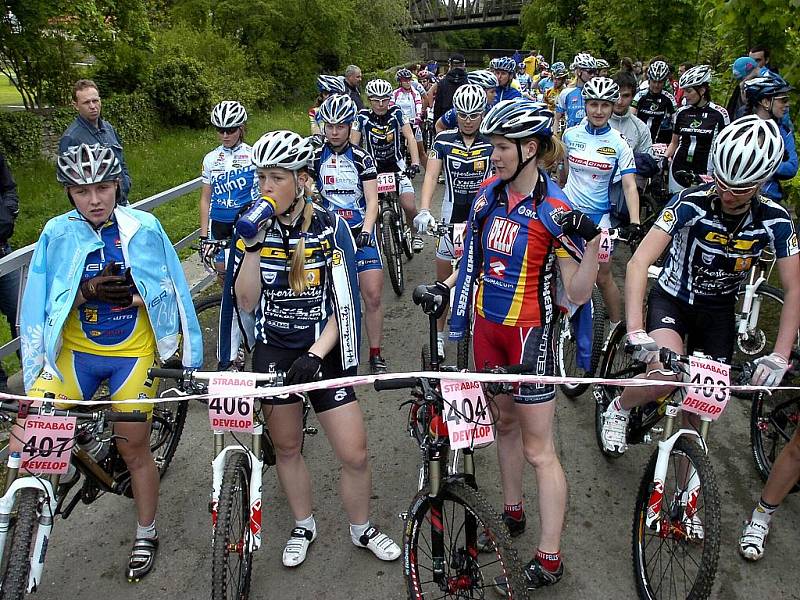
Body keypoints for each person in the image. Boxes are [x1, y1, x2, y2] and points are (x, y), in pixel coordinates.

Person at [18, 143, 203, 581]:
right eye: (83, 191)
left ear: (118, 184)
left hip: (131, 354)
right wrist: (87, 293)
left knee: (132, 446)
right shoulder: (56, 233)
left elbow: (172, 287)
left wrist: (138, 298)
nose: (95, 199)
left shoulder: (145, 227)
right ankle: (18, 528)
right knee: (25, 444)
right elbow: (38, 301)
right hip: (73, 354)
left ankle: (146, 531)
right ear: (68, 193)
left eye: (103, 187)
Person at [440, 99, 601, 592]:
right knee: (503, 426)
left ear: (531, 149)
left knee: (539, 450)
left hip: (531, 336)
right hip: (486, 330)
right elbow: (470, 260)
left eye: (503, 147)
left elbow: (575, 294)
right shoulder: (488, 193)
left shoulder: (557, 212)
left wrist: (595, 247)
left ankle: (549, 556)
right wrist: (446, 293)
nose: (494, 156)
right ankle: (511, 514)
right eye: (492, 146)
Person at [231, 130, 401, 568]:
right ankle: (303, 524)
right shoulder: (253, 229)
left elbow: (346, 301)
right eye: (260, 177)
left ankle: (361, 528)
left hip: (322, 347)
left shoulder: (330, 226)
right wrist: (250, 247)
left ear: (302, 180)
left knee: (354, 451)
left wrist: (317, 352)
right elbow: (246, 301)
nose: (265, 187)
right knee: (287, 448)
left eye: (276, 177)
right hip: (274, 349)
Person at [600, 116, 800, 457]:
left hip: (718, 312)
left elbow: (794, 289)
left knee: (700, 408)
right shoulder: (689, 203)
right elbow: (638, 262)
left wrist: (780, 355)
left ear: (762, 183)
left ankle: (687, 500)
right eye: (722, 183)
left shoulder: (776, 220)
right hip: (673, 300)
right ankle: (618, 407)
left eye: (740, 189)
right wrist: (635, 330)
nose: (727, 194)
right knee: (666, 377)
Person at [308, 94, 388, 375]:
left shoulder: (362, 158)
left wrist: (367, 231)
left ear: (349, 125)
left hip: (358, 230)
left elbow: (372, 201)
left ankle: (375, 352)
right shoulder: (316, 156)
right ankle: (331, 347)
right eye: (328, 126)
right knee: (330, 295)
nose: (334, 131)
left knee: (373, 295)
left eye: (340, 126)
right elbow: (307, 192)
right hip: (329, 232)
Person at [413, 84, 493, 360]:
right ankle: (439, 336)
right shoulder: (443, 141)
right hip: (451, 214)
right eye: (463, 115)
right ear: (455, 114)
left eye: (474, 115)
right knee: (443, 281)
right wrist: (424, 209)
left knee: (489, 277)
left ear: (483, 114)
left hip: (484, 214)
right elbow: (432, 177)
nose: (469, 120)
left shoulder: (493, 140)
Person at [562, 77, 641, 330]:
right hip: (569, 212)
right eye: (593, 104)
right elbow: (562, 172)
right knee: (559, 270)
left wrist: (635, 222)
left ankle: (617, 329)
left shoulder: (619, 143)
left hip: (599, 219)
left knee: (603, 276)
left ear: (612, 106)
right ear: (585, 105)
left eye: (605, 105)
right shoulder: (570, 134)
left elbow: (629, 185)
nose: (598, 111)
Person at [198, 101, 259, 369]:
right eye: (220, 130)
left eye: (231, 129)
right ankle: (233, 340)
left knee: (245, 287)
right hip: (219, 226)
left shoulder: (253, 153)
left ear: (241, 128)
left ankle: (250, 337)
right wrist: (204, 235)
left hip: (244, 226)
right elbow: (205, 199)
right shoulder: (211, 159)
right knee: (227, 286)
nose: (225, 134)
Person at [351, 78, 423, 256]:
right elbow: (353, 144)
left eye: (384, 99)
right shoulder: (362, 117)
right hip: (373, 169)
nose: (381, 104)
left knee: (409, 205)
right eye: (376, 100)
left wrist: (414, 162)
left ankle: (415, 235)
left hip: (396, 166)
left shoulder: (396, 112)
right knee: (373, 212)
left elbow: (410, 138)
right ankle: (375, 247)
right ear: (369, 99)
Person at [59, 80, 132, 205]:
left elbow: (121, 161)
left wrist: (126, 181)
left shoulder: (108, 129)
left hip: (122, 202)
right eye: (86, 102)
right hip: (97, 208)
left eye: (95, 101)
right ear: (76, 105)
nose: (92, 106)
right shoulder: (71, 138)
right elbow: (71, 183)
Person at [665, 65, 730, 193]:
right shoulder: (681, 113)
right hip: (679, 167)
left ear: (702, 90)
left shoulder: (719, 114)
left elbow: (725, 148)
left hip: (706, 170)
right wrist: (664, 159)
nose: (684, 95)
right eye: (683, 91)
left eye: (689, 91)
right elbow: (674, 142)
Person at [744, 74, 797, 203]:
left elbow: (791, 167)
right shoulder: (741, 129)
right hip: (740, 195)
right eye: (783, 100)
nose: (787, 105)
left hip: (770, 197)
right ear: (765, 102)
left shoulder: (784, 131)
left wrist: (759, 162)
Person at [0, 151, 19, 392]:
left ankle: (33, 371)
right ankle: (2, 388)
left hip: (2, 249)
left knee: (21, 314)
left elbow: (8, 187)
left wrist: (6, 217)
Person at [434, 69, 498, 134]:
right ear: (481, 91)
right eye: (492, 91)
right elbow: (439, 126)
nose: (495, 95)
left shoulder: (491, 110)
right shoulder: (456, 112)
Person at [631, 60, 677, 144]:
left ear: (665, 82)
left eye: (660, 82)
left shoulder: (669, 98)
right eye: (654, 81)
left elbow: (676, 121)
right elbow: (630, 115)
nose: (656, 85)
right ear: (649, 80)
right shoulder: (640, 95)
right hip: (638, 138)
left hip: (659, 140)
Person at [610, 72, 653, 155]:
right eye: (616, 95)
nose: (619, 101)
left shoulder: (641, 129)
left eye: (625, 96)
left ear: (633, 97)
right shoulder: (593, 121)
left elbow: (645, 164)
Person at [391, 68, 426, 169]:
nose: (407, 82)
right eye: (404, 80)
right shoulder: (395, 93)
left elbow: (418, 104)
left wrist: (419, 115)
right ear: (400, 81)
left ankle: (427, 171)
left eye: (409, 79)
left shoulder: (415, 92)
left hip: (413, 122)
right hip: (399, 124)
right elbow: (391, 106)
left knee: (420, 150)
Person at [555, 52, 597, 134]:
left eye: (595, 72)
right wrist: (555, 138)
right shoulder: (566, 93)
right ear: (579, 71)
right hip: (572, 136)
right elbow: (557, 118)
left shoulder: (597, 93)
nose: (593, 75)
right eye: (589, 72)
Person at [431, 53, 468, 124]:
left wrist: (436, 126)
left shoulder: (442, 82)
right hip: (466, 120)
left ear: (450, 65)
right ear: (464, 65)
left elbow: (438, 107)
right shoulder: (469, 81)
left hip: (446, 121)